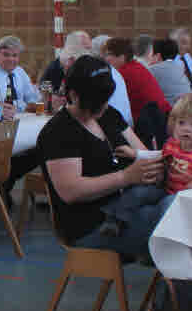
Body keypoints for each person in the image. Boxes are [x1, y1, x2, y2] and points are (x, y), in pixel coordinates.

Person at [36, 56, 164, 256]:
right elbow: (71, 191)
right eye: (95, 102)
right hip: (91, 227)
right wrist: (126, 177)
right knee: (170, 218)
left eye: (106, 100)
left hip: (129, 207)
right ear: (73, 95)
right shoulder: (59, 132)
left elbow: (143, 155)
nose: (103, 107)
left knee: (176, 208)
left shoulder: (108, 114)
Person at [0, 35, 39, 114]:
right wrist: (26, 106)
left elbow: (32, 98)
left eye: (14, 55)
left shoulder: (19, 71)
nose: (11, 59)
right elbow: (3, 105)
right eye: (6, 55)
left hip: (23, 117)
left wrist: (35, 102)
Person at [111, 37, 170, 119]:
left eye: (108, 54)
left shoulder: (124, 72)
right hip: (163, 115)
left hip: (151, 120)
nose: (105, 58)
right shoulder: (138, 66)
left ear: (121, 56)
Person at [147, 38, 192, 105]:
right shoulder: (180, 66)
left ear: (158, 56)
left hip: (173, 109)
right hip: (189, 105)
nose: (148, 58)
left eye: (150, 54)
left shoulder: (153, 69)